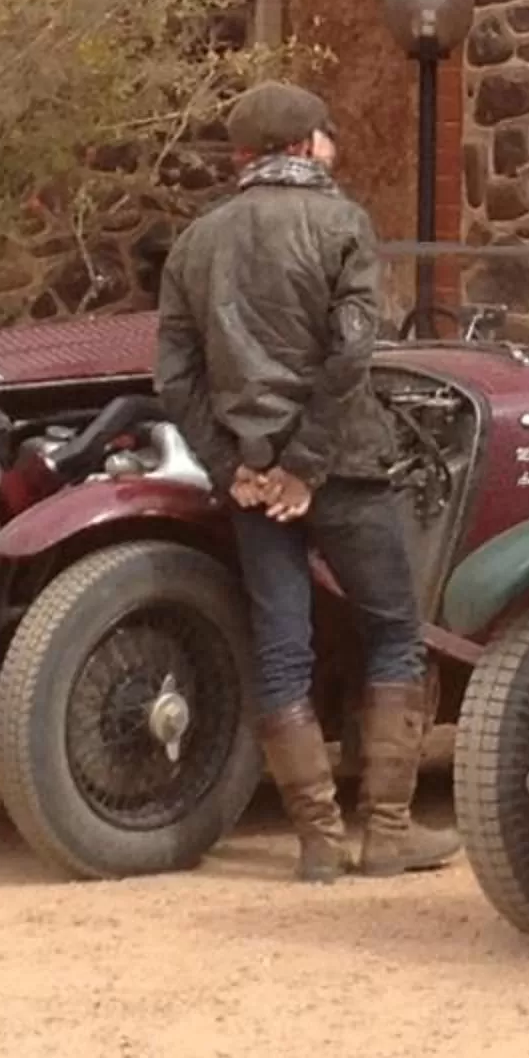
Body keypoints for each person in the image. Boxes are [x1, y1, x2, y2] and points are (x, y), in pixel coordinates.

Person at [152, 81, 458, 885]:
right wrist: (306, 465)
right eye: (324, 135)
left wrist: (240, 467)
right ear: (300, 146)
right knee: (394, 631)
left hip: (253, 480)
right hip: (346, 466)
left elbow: (175, 379)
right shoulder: (341, 224)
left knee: (281, 648)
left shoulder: (197, 241)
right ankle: (386, 831)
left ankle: (317, 840)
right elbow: (353, 354)